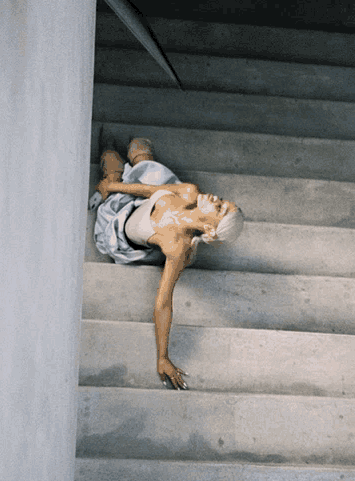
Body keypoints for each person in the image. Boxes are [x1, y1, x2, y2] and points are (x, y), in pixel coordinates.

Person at [91, 138, 244, 391]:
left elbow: (163, 302)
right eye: (225, 201)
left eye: (219, 209)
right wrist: (112, 186)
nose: (218, 199)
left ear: (209, 228)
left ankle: (135, 161)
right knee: (138, 148)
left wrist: (163, 357)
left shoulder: (176, 246)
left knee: (109, 154)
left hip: (121, 223)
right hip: (139, 202)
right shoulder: (189, 192)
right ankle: (140, 161)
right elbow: (151, 192)